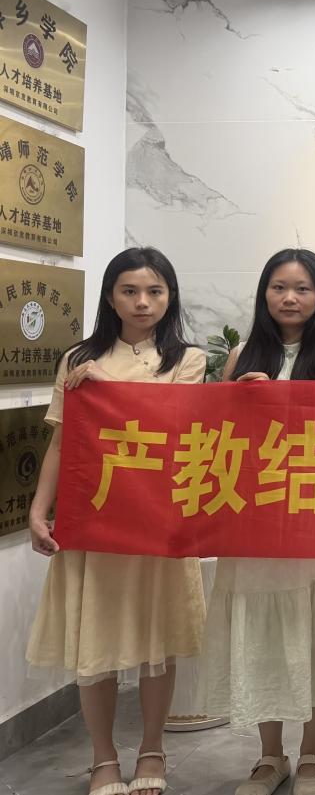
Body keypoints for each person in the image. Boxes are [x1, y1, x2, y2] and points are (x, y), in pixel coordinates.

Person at [26, 247, 208, 795]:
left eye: (154, 291)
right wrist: (38, 510)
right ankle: (103, 757)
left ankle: (153, 748)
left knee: (159, 640)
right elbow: (63, 442)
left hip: (158, 520)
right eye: (129, 291)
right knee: (96, 642)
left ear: (170, 297)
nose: (142, 302)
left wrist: (103, 388)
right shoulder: (78, 360)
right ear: (110, 297)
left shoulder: (188, 361)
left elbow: (174, 429)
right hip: (94, 520)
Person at [200, 249, 315, 795]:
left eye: (302, 288)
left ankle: (314, 752)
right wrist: (241, 402)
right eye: (279, 287)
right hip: (256, 516)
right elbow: (217, 436)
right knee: (264, 635)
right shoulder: (241, 355)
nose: (290, 298)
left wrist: (279, 401)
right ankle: (269, 756)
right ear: (264, 294)